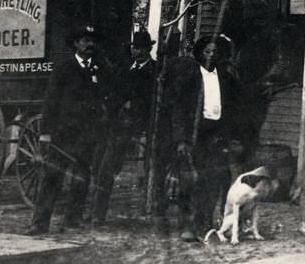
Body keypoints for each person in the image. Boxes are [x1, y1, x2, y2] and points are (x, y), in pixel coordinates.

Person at [27, 24, 108, 235]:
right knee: (52, 177)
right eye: (84, 40)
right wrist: (45, 133)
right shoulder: (64, 68)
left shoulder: (99, 69)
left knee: (81, 177)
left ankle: (73, 220)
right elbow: (51, 102)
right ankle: (39, 223)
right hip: (63, 134)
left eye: (92, 40)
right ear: (76, 44)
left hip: (87, 134)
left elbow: (105, 98)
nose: (89, 44)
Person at [166, 33, 241, 242]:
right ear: (200, 54)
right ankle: (187, 224)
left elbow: (233, 109)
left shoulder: (225, 78)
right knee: (190, 181)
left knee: (212, 180)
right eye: (207, 51)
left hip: (215, 135)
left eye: (215, 52)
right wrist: (181, 139)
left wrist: (230, 136)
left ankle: (205, 223)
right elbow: (178, 109)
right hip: (194, 134)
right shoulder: (190, 78)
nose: (211, 55)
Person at [92, 28, 158, 225]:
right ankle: (98, 214)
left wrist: (135, 105)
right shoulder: (125, 69)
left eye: (141, 48)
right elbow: (114, 93)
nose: (137, 52)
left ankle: (151, 212)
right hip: (121, 124)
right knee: (106, 166)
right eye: (135, 48)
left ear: (149, 49)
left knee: (150, 166)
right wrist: (119, 105)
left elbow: (153, 99)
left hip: (144, 122)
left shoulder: (155, 71)